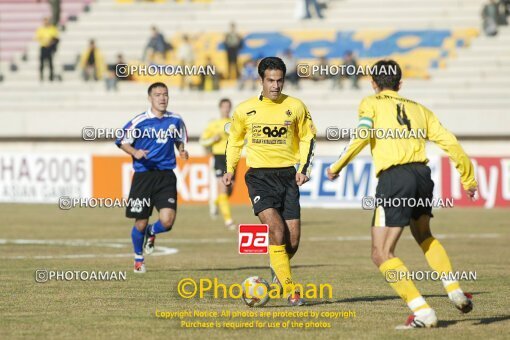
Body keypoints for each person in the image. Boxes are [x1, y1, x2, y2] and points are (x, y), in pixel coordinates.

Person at [326, 60, 478, 329]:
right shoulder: (421, 110)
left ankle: (423, 312)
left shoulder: (370, 103)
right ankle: (454, 290)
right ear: (400, 83)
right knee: (424, 235)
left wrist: (337, 166)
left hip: (395, 178)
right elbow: (450, 142)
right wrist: (468, 178)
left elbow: (362, 134)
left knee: (381, 252)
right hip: (422, 175)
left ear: (373, 84)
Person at [223, 57, 316, 306]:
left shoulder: (296, 106)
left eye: (279, 80)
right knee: (276, 231)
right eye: (270, 81)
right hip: (259, 177)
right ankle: (291, 292)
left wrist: (303, 168)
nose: (275, 86)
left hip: (287, 176)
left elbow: (308, 137)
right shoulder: (244, 109)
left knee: (292, 241)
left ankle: (278, 267)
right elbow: (234, 140)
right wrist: (229, 168)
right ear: (261, 80)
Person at [115, 82, 189, 273]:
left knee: (167, 221)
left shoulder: (175, 119)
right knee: (140, 222)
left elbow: (179, 138)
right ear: (150, 98)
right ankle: (138, 258)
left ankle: (152, 231)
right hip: (143, 176)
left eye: (165, 94)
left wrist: (182, 150)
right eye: (158, 95)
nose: (162, 98)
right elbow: (121, 140)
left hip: (166, 176)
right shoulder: (140, 121)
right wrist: (135, 151)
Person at [200, 98, 235, 229]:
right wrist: (212, 139)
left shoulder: (234, 123)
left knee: (229, 190)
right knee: (223, 188)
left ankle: (215, 203)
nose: (226, 109)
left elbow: (243, 139)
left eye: (228, 106)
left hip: (232, 158)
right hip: (219, 157)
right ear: (220, 108)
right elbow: (203, 141)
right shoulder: (214, 124)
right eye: (224, 107)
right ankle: (228, 220)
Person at [35, 17, 59, 81]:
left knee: (50, 63)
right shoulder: (40, 29)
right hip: (43, 47)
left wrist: (50, 42)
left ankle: (51, 77)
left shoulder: (52, 28)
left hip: (50, 48)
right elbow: (38, 37)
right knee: (42, 63)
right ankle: (41, 77)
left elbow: (55, 38)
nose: (46, 22)